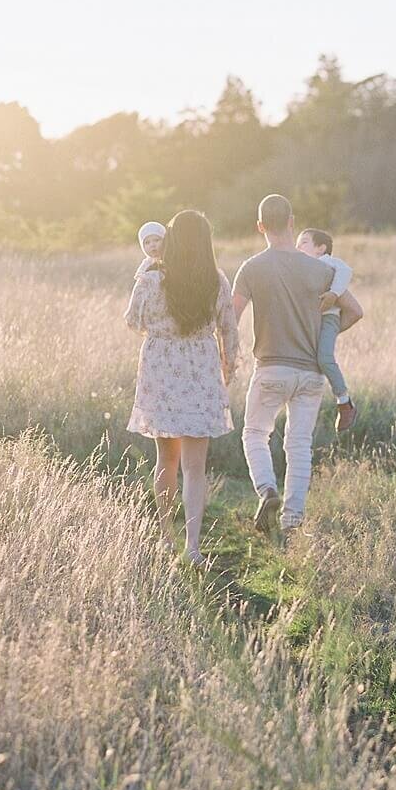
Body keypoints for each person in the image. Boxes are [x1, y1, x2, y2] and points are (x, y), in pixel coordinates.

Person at [232, 194, 363, 535]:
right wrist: (325, 339)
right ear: (292, 222)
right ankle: (292, 523)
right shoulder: (322, 269)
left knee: (255, 434)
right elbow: (355, 311)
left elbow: (230, 319)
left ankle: (267, 490)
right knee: (299, 445)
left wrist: (226, 360)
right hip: (311, 373)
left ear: (260, 226)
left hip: (271, 368)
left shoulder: (251, 268)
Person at [125, 210, 238, 565]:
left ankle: (164, 536)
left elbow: (132, 321)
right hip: (201, 370)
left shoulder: (151, 278)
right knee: (195, 465)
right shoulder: (216, 280)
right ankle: (193, 547)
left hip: (161, 368)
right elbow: (229, 329)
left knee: (166, 459)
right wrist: (227, 365)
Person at [295, 226, 357, 432]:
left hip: (328, 318)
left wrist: (333, 294)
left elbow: (346, 270)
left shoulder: (325, 262)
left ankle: (344, 401)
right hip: (312, 321)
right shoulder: (302, 267)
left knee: (324, 357)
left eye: (304, 242)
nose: (298, 246)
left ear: (321, 248)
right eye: (297, 242)